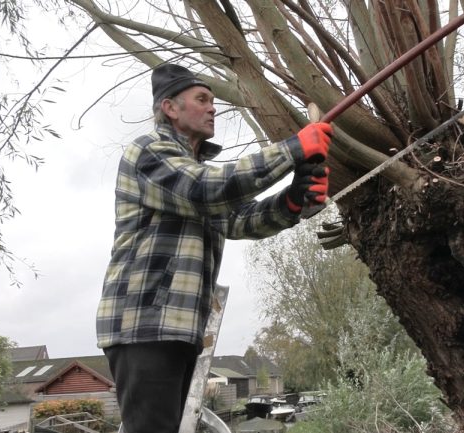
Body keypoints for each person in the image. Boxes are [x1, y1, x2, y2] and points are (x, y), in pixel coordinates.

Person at [96, 63, 333, 433]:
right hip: (144, 326)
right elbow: (206, 188)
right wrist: (291, 151)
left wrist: (292, 201)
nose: (212, 108)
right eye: (202, 99)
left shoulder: (193, 168)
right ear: (170, 108)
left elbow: (240, 220)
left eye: (213, 101)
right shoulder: (149, 153)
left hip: (181, 329)